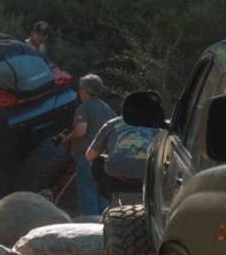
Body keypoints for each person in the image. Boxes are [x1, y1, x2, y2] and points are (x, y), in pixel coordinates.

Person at [65, 73, 116, 216]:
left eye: (80, 89)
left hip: (87, 160)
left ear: (85, 90)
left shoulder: (84, 108)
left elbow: (81, 131)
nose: (78, 92)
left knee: (88, 197)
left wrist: (66, 139)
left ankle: (90, 230)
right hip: (106, 161)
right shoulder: (108, 109)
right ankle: (103, 230)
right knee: (103, 198)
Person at [86, 115, 157, 202]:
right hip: (146, 180)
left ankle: (112, 199)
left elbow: (89, 156)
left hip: (116, 181)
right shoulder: (156, 126)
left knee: (96, 162)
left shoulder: (111, 124)